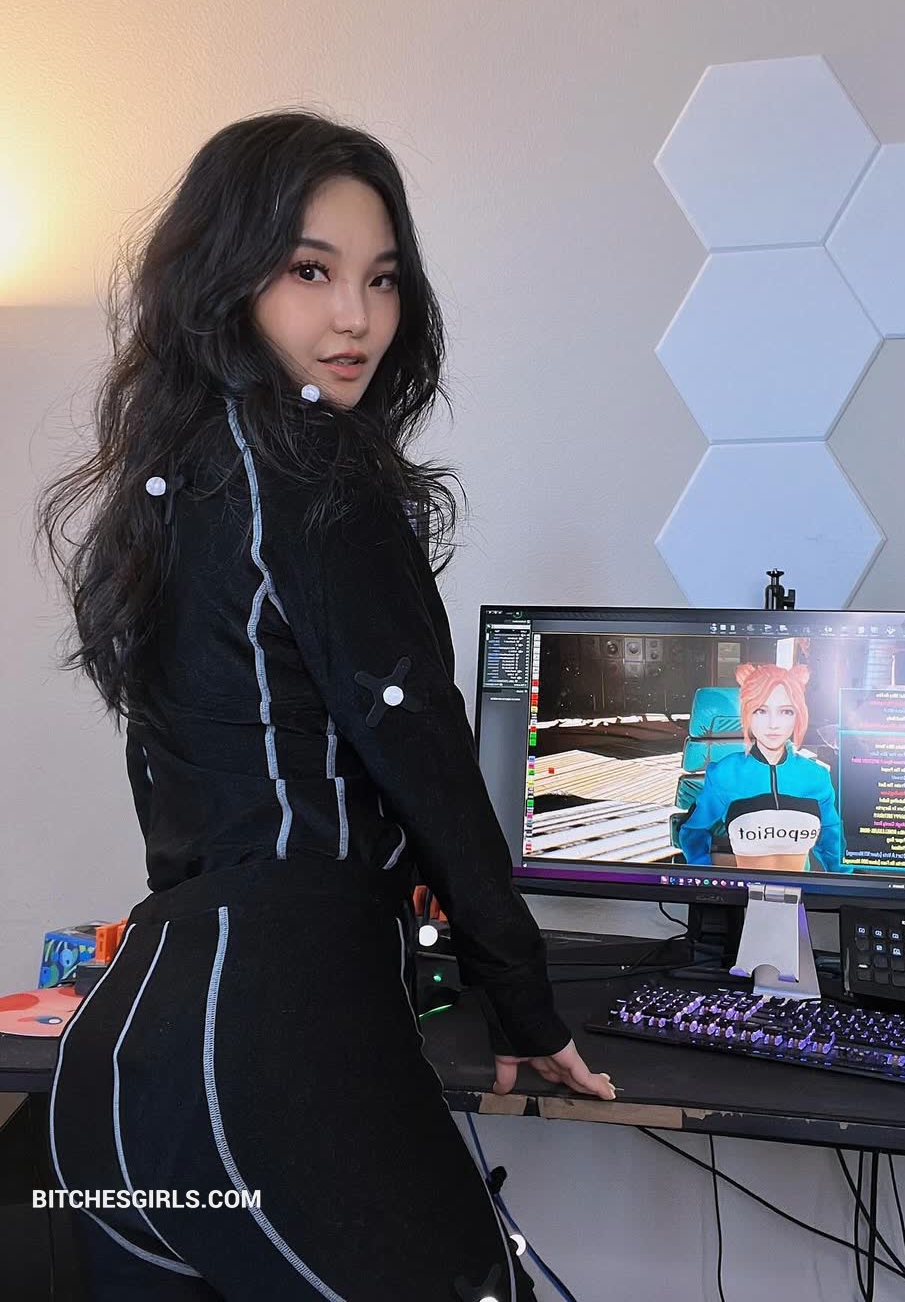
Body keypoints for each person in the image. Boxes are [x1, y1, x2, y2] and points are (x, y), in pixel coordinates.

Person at [35, 109, 615, 1301]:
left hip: (125, 1070)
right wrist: (522, 999)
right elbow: (425, 754)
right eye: (311, 272)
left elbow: (187, 795)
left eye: (382, 279)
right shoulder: (312, 471)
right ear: (226, 276)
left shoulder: (174, 474)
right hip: (265, 1055)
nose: (356, 317)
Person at [677, 662, 852, 873]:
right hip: (745, 889)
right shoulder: (725, 774)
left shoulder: (816, 777)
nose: (773, 724)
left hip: (800, 890)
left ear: (798, 715)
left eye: (786, 711)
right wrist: (705, 878)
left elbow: (833, 844)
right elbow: (693, 830)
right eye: (761, 710)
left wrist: (844, 887)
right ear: (747, 713)